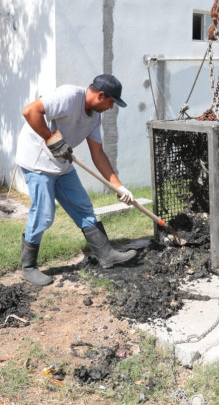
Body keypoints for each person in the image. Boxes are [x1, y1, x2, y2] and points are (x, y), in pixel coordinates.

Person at [14, 74, 137, 286]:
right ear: (101, 95)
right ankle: (28, 267)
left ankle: (106, 255)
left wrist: (118, 186)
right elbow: (30, 111)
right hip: (37, 162)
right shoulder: (69, 96)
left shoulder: (94, 117)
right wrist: (51, 139)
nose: (111, 108)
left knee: (83, 208)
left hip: (62, 162)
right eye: (111, 102)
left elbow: (98, 153)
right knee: (44, 215)